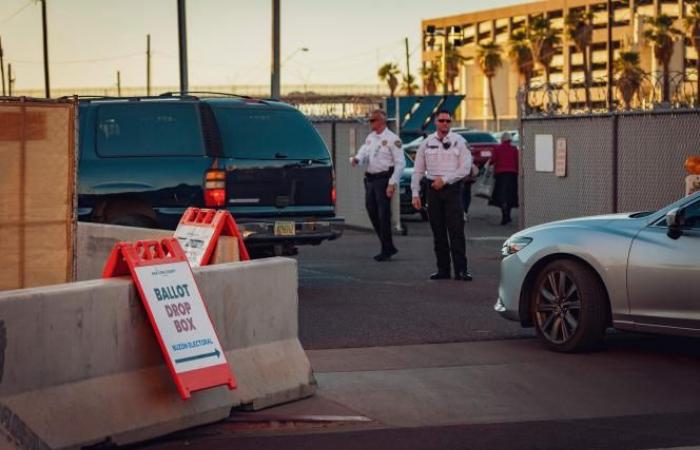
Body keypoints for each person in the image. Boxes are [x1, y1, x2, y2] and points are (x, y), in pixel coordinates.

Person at [411, 110, 473, 281]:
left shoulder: (460, 142)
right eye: (441, 121)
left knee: (456, 231)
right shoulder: (426, 143)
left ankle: (461, 270)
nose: (445, 123)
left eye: (448, 121)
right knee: (438, 232)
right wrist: (415, 193)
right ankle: (443, 269)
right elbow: (417, 170)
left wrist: (445, 180)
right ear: (435, 123)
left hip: (452, 190)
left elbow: (465, 169)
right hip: (433, 191)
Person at [350, 109, 405, 261]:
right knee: (371, 210)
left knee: (384, 214)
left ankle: (386, 249)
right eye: (369, 120)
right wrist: (357, 159)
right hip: (371, 179)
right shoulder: (370, 138)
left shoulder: (393, 139)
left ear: (382, 121)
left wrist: (392, 183)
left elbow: (400, 164)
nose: (370, 123)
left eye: (373, 120)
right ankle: (388, 246)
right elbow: (364, 152)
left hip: (383, 180)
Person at [489, 132, 519, 225]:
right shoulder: (514, 149)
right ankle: (508, 215)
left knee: (501, 196)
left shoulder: (497, 149)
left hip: (500, 175)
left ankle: (504, 216)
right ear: (510, 139)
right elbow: (517, 162)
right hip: (512, 175)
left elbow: (493, 160)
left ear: (502, 139)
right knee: (510, 196)